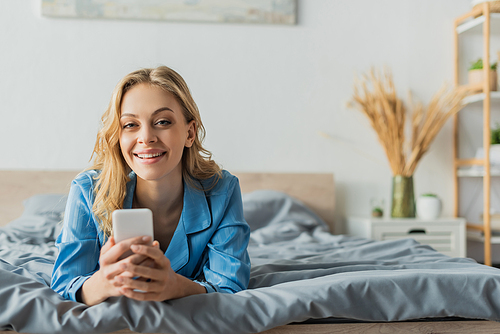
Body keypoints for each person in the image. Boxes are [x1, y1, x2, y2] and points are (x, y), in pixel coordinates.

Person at [51, 66, 251, 306]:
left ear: (190, 133)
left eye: (163, 121)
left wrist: (175, 286)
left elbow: (230, 285)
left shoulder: (223, 190)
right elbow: (65, 286)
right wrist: (104, 282)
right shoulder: (87, 191)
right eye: (130, 125)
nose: (146, 137)